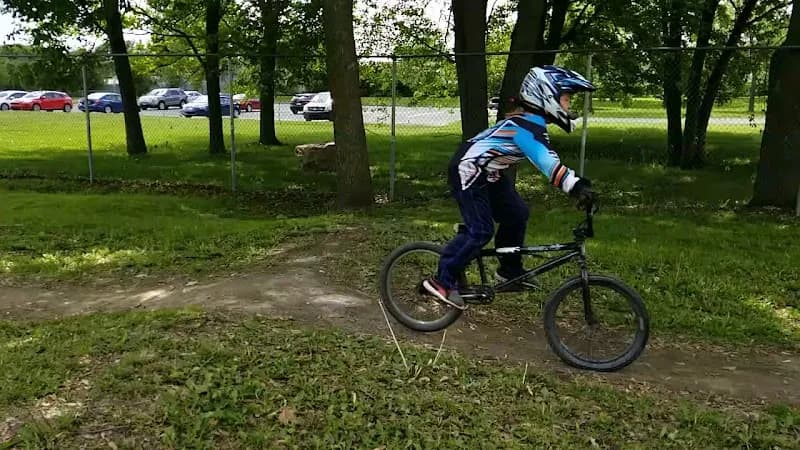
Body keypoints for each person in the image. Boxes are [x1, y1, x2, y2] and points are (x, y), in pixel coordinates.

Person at [423, 65, 597, 310]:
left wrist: (577, 184)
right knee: (481, 231)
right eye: (566, 99)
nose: (569, 106)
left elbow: (547, 157)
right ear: (546, 95)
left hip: (489, 172)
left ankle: (509, 271)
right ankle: (442, 280)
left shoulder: (531, 124)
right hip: (468, 169)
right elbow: (546, 162)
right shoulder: (523, 128)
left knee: (517, 214)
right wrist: (576, 186)